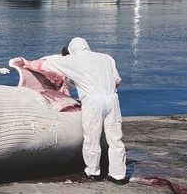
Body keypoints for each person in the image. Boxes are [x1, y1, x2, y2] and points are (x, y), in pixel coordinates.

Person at [12, 37, 127, 183]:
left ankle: (93, 172)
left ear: (72, 50)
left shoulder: (73, 60)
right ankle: (118, 175)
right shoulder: (107, 58)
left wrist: (25, 62)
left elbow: (43, 65)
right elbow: (118, 80)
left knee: (92, 137)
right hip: (112, 99)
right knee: (115, 138)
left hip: (93, 101)